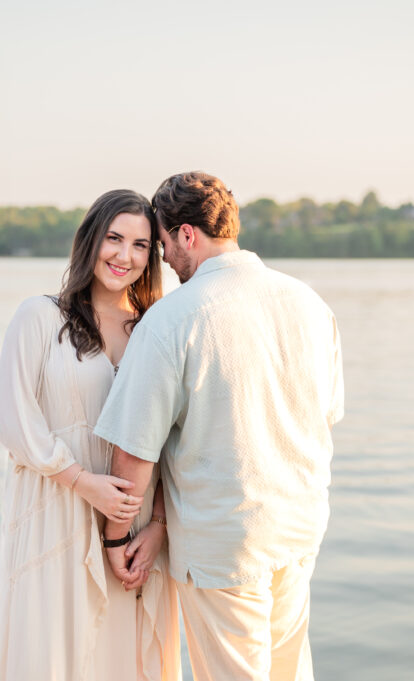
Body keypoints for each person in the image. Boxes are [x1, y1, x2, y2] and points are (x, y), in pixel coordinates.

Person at [94, 172, 345, 681]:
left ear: (187, 235)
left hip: (223, 544)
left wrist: (116, 539)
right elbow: (326, 415)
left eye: (162, 245)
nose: (163, 260)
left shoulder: (171, 319)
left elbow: (134, 454)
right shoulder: (310, 305)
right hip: (298, 527)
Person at [0, 189, 180, 681]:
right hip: (59, 508)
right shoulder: (40, 317)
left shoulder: (154, 329)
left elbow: (175, 439)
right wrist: (81, 481)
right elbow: (14, 420)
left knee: (123, 655)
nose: (125, 256)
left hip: (131, 523)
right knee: (56, 648)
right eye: (114, 238)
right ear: (90, 239)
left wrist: (158, 524)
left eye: (141, 245)